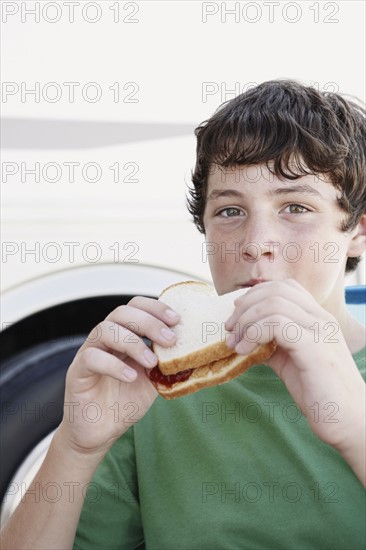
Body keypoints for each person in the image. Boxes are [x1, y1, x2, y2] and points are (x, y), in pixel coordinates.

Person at [0, 79, 365, 550]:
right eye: (230, 211)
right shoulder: (154, 388)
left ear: (356, 231)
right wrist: (75, 445)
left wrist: (356, 426)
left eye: (295, 207)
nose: (255, 242)